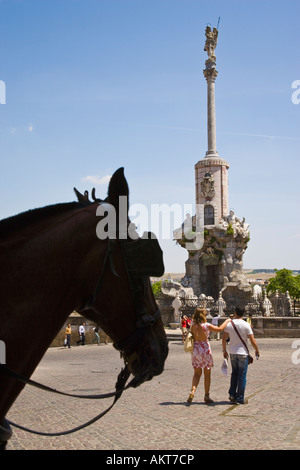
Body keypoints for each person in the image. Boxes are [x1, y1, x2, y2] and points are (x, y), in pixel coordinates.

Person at [187, 308, 231, 405]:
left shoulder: (192, 325)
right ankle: (206, 396)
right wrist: (227, 321)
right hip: (205, 349)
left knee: (197, 373)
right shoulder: (206, 325)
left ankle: (193, 391)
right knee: (207, 374)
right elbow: (219, 329)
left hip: (196, 350)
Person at [222, 307, 260, 405]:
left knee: (234, 373)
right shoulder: (246, 325)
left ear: (235, 313)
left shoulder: (230, 324)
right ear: (243, 314)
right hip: (243, 353)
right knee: (242, 376)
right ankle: (240, 398)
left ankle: (232, 394)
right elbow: (252, 340)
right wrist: (257, 350)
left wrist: (224, 350)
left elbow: (224, 338)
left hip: (233, 352)